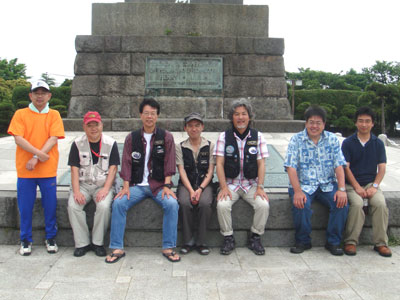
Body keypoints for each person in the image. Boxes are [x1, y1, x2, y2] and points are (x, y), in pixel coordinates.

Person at [105, 98, 180, 263]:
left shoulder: (166, 137)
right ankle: (117, 247)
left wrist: (167, 185)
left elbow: (169, 162)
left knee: (172, 204)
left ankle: (168, 246)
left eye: (153, 114)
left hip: (159, 185)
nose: (149, 117)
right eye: (146, 113)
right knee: (118, 203)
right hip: (136, 186)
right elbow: (126, 162)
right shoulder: (132, 138)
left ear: (157, 116)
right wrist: (125, 186)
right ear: (140, 115)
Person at [7, 80, 65, 256]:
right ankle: (25, 239)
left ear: (49, 96)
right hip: (26, 170)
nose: (40, 96)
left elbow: (54, 138)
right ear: (30, 95)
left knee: (50, 206)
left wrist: (35, 157)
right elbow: (18, 138)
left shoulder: (54, 114)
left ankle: (51, 238)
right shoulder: (21, 114)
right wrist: (37, 155)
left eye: (43, 93)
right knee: (25, 207)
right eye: (36, 93)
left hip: (47, 170)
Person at [284, 105, 348, 256]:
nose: (314, 126)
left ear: (324, 124)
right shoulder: (296, 140)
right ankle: (303, 240)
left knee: (341, 203)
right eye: (311, 122)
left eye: (318, 123)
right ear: (306, 123)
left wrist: (341, 189)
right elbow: (290, 167)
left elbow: (339, 165)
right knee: (301, 204)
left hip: (327, 184)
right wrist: (298, 191)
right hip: (303, 184)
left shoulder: (332, 139)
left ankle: (333, 242)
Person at [214, 99, 270, 255]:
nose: (240, 117)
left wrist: (260, 187)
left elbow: (261, 164)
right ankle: (228, 237)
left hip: (251, 184)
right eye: (236, 114)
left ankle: (255, 236)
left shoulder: (258, 137)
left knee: (263, 205)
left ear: (249, 117)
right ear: (232, 117)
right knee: (222, 205)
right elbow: (219, 164)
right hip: (230, 184)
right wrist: (223, 187)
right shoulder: (223, 137)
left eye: (244, 114)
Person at [67, 111, 120, 257]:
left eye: (96, 124)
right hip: (83, 185)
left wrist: (106, 189)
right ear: (84, 127)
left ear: (101, 125)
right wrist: (76, 192)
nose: (93, 128)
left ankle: (98, 243)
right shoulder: (77, 144)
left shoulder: (110, 143)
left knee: (103, 206)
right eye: (89, 125)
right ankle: (82, 243)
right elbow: (74, 169)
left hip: (102, 185)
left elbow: (113, 168)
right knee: (73, 206)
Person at [342, 107, 392, 257]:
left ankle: (381, 243)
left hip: (371, 183)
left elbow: (382, 168)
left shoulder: (378, 143)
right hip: (351, 184)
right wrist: (357, 187)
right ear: (356, 123)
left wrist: (375, 186)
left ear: (372, 124)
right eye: (361, 121)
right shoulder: (348, 143)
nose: (364, 124)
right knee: (357, 204)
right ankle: (350, 242)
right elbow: (346, 168)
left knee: (380, 204)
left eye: (367, 121)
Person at [176, 112, 215, 255]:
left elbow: (211, 171)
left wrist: (200, 189)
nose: (194, 129)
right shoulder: (180, 146)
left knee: (205, 203)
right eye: (190, 126)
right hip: (186, 185)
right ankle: (188, 240)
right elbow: (181, 171)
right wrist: (192, 191)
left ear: (202, 127)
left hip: (205, 185)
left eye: (197, 125)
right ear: (185, 128)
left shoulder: (210, 146)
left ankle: (201, 241)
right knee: (185, 203)